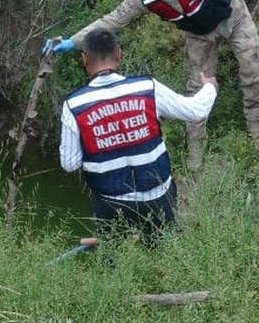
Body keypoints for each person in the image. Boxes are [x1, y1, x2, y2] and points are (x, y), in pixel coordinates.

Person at [45, 0, 259, 171]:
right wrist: (72, 42)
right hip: (198, 34)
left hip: (233, 16)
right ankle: (196, 153)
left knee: (251, 69)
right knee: (195, 87)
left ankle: (257, 130)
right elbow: (113, 19)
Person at [58, 28, 217, 240]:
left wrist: (102, 140)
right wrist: (210, 87)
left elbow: (70, 163)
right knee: (163, 252)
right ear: (118, 54)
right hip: (157, 198)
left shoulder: (74, 105)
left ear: (84, 60)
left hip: (110, 203)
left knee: (114, 257)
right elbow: (196, 110)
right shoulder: (147, 88)